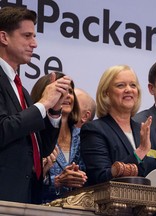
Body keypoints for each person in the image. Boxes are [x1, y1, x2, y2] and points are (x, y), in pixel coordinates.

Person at [0, 6, 71, 204]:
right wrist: (43, 103)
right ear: (4, 37)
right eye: (27, 36)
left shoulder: (20, 88)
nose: (35, 44)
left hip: (25, 195)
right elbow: (3, 129)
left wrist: (54, 110)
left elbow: (43, 148)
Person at [31, 72, 88, 203]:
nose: (67, 96)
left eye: (70, 91)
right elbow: (24, 183)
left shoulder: (85, 135)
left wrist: (80, 177)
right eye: (60, 90)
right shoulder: (34, 135)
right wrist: (56, 182)